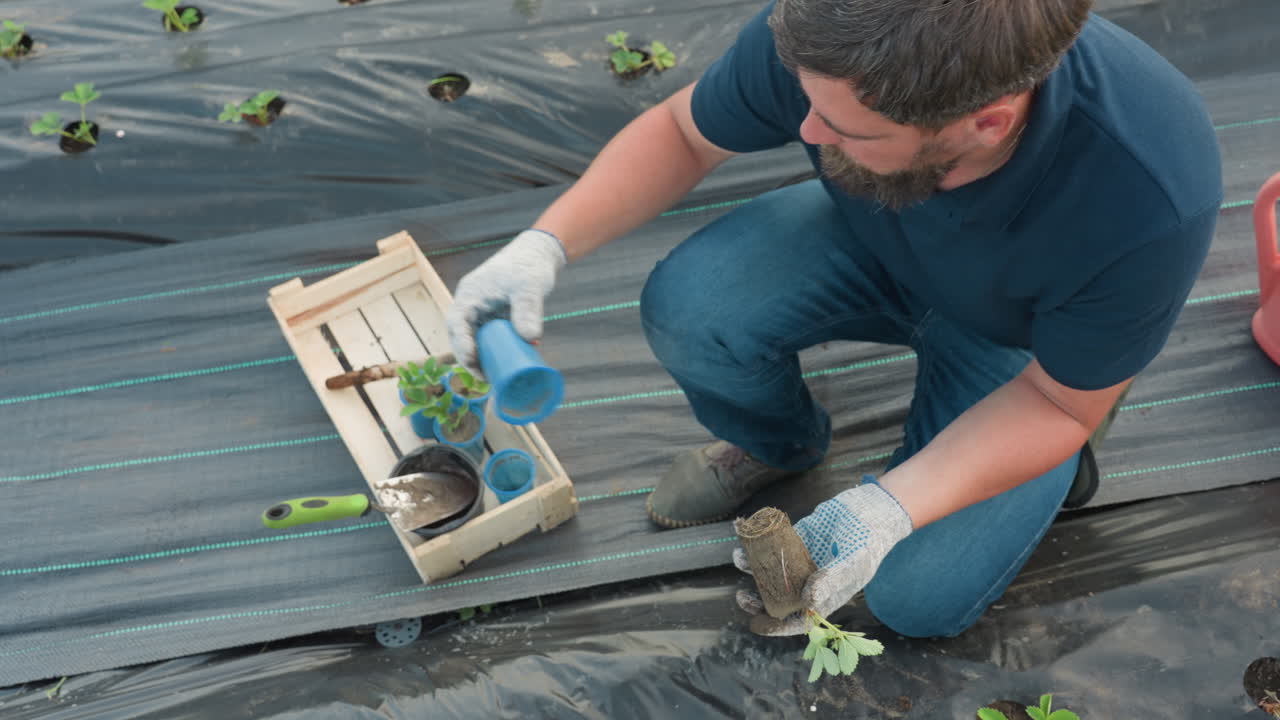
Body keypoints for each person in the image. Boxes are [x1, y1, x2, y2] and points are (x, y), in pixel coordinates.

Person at [445, 0, 1222, 638]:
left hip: (1024, 354)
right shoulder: (834, 40)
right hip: (876, 235)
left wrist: (891, 506)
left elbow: (1060, 401)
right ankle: (778, 444)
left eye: (847, 129)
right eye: (810, 105)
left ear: (985, 123)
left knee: (915, 601)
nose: (808, 131)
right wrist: (545, 243)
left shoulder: (1146, 192)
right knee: (693, 308)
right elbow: (685, 131)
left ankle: (1039, 470)